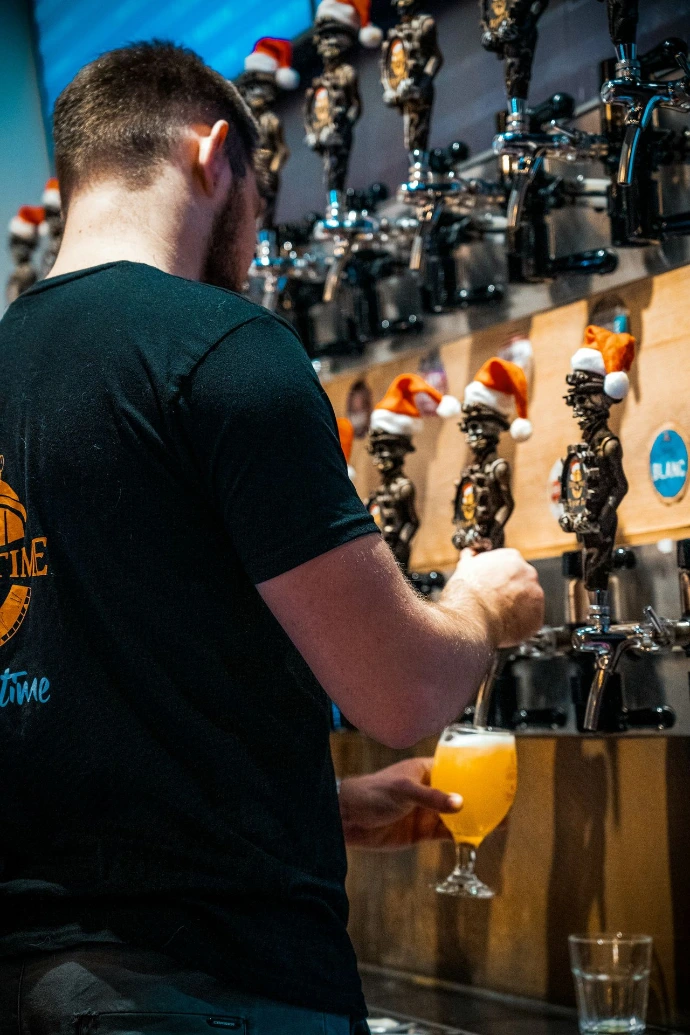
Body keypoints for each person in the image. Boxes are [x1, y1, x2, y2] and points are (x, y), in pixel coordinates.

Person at [0, 42, 544, 1035]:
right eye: (259, 204)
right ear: (214, 156)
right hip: (217, 990)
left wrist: (319, 806)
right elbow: (402, 693)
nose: (253, 246)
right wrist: (482, 606)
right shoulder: (220, 348)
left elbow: (83, 721)